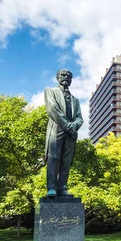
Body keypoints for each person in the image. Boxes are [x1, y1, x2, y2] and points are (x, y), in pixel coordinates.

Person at [44, 69, 83, 197]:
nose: (66, 77)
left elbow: (79, 117)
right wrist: (67, 126)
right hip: (57, 129)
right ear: (57, 77)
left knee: (66, 161)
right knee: (54, 158)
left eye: (69, 76)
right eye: (63, 75)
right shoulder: (50, 91)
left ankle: (62, 187)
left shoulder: (75, 100)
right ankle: (51, 188)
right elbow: (52, 109)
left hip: (70, 133)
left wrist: (74, 125)